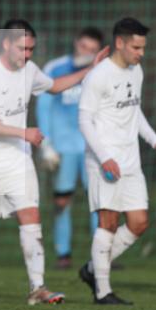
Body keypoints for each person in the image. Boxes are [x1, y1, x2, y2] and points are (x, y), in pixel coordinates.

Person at [0, 20, 108, 306]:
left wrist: (90, 69)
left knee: (31, 218)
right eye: (22, 48)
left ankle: (38, 288)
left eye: (31, 49)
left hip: (16, 160)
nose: (27, 54)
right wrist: (23, 133)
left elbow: (54, 86)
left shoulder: (30, 70)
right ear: (6, 44)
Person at [77, 17, 156, 305]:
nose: (140, 53)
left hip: (131, 162)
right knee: (108, 221)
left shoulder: (136, 71)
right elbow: (84, 120)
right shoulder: (99, 76)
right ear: (119, 43)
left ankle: (93, 269)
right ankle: (103, 291)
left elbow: (135, 111)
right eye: (135, 47)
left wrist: (155, 140)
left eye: (142, 47)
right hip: (104, 162)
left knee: (139, 223)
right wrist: (105, 158)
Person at [36, 27, 105, 269]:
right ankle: (63, 253)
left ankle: (101, 254)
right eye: (83, 46)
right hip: (63, 147)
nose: (85, 52)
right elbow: (43, 105)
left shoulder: (102, 72)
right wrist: (47, 145)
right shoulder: (55, 68)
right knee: (62, 201)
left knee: (99, 200)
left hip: (93, 147)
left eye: (92, 50)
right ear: (76, 43)